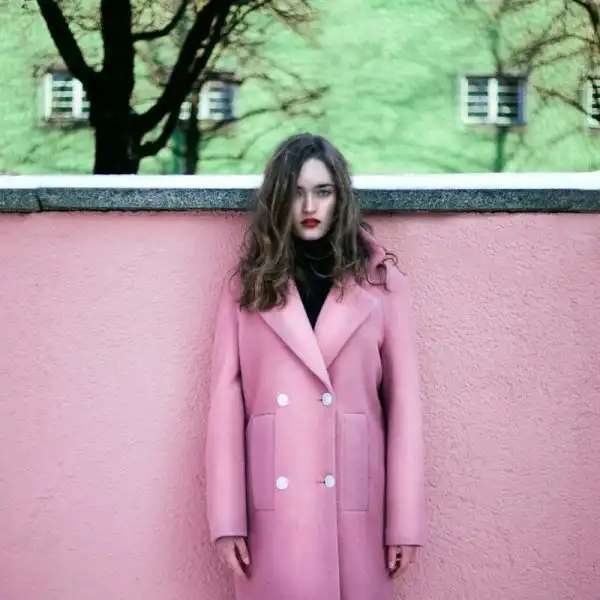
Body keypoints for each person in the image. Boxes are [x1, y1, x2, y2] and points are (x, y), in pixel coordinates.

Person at [205, 133, 425, 600]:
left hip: (355, 502)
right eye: (296, 192)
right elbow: (225, 407)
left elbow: (404, 408)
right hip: (272, 509)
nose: (309, 206)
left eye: (322, 191)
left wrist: (404, 522)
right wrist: (226, 520)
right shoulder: (246, 289)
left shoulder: (381, 286)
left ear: (340, 197)